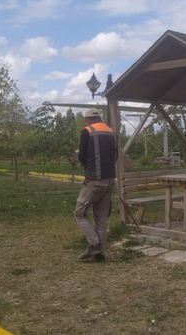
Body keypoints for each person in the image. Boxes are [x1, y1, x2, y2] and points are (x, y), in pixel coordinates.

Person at [74, 108, 117, 262]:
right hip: (110, 181)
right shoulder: (112, 132)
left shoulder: (87, 131)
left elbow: (83, 157)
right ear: (100, 118)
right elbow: (115, 156)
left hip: (94, 181)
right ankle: (101, 252)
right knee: (101, 219)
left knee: (79, 213)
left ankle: (94, 245)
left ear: (88, 120)